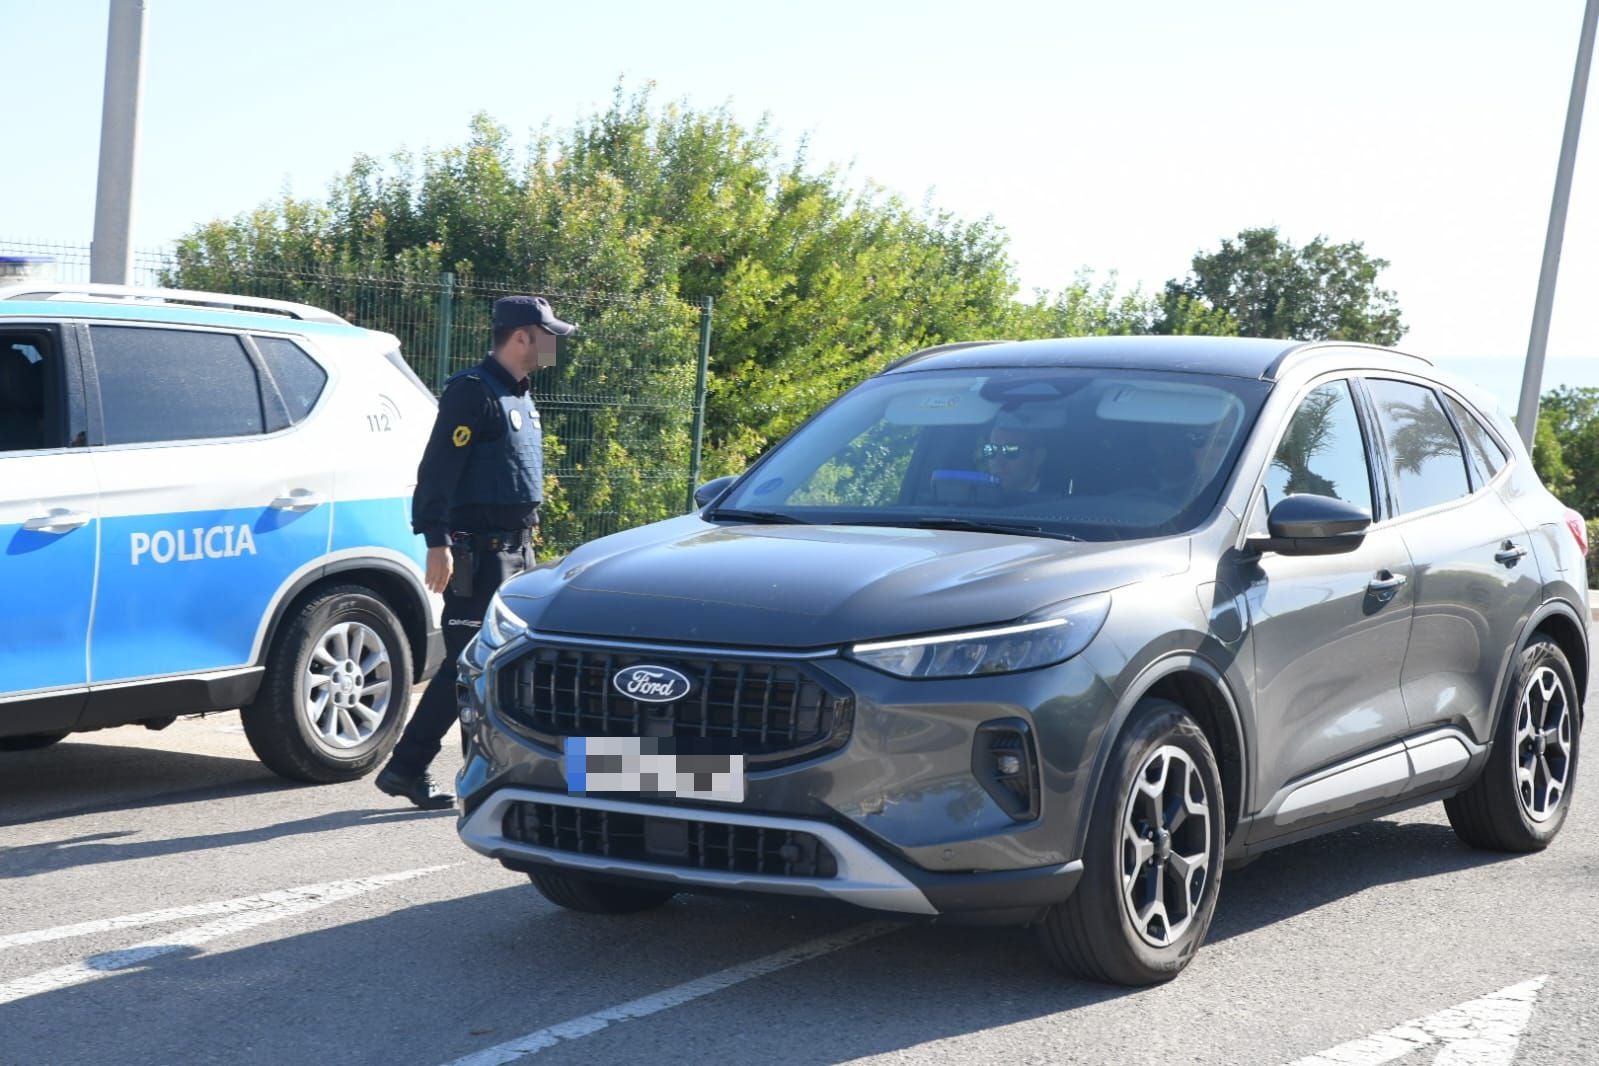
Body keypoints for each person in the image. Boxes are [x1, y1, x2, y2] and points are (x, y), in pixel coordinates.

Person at [375, 294, 576, 809]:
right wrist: (437, 543)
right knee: (467, 664)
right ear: (522, 336)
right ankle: (409, 767)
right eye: (548, 334)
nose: (555, 344)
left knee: (504, 663)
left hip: (517, 552)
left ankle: (481, 771)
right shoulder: (472, 392)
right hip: (475, 554)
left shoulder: (521, 395)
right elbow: (437, 472)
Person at [981, 424, 1049, 496]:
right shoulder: (977, 500)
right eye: (991, 449)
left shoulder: (1057, 502)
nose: (997, 462)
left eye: (1011, 450)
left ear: (1038, 457)